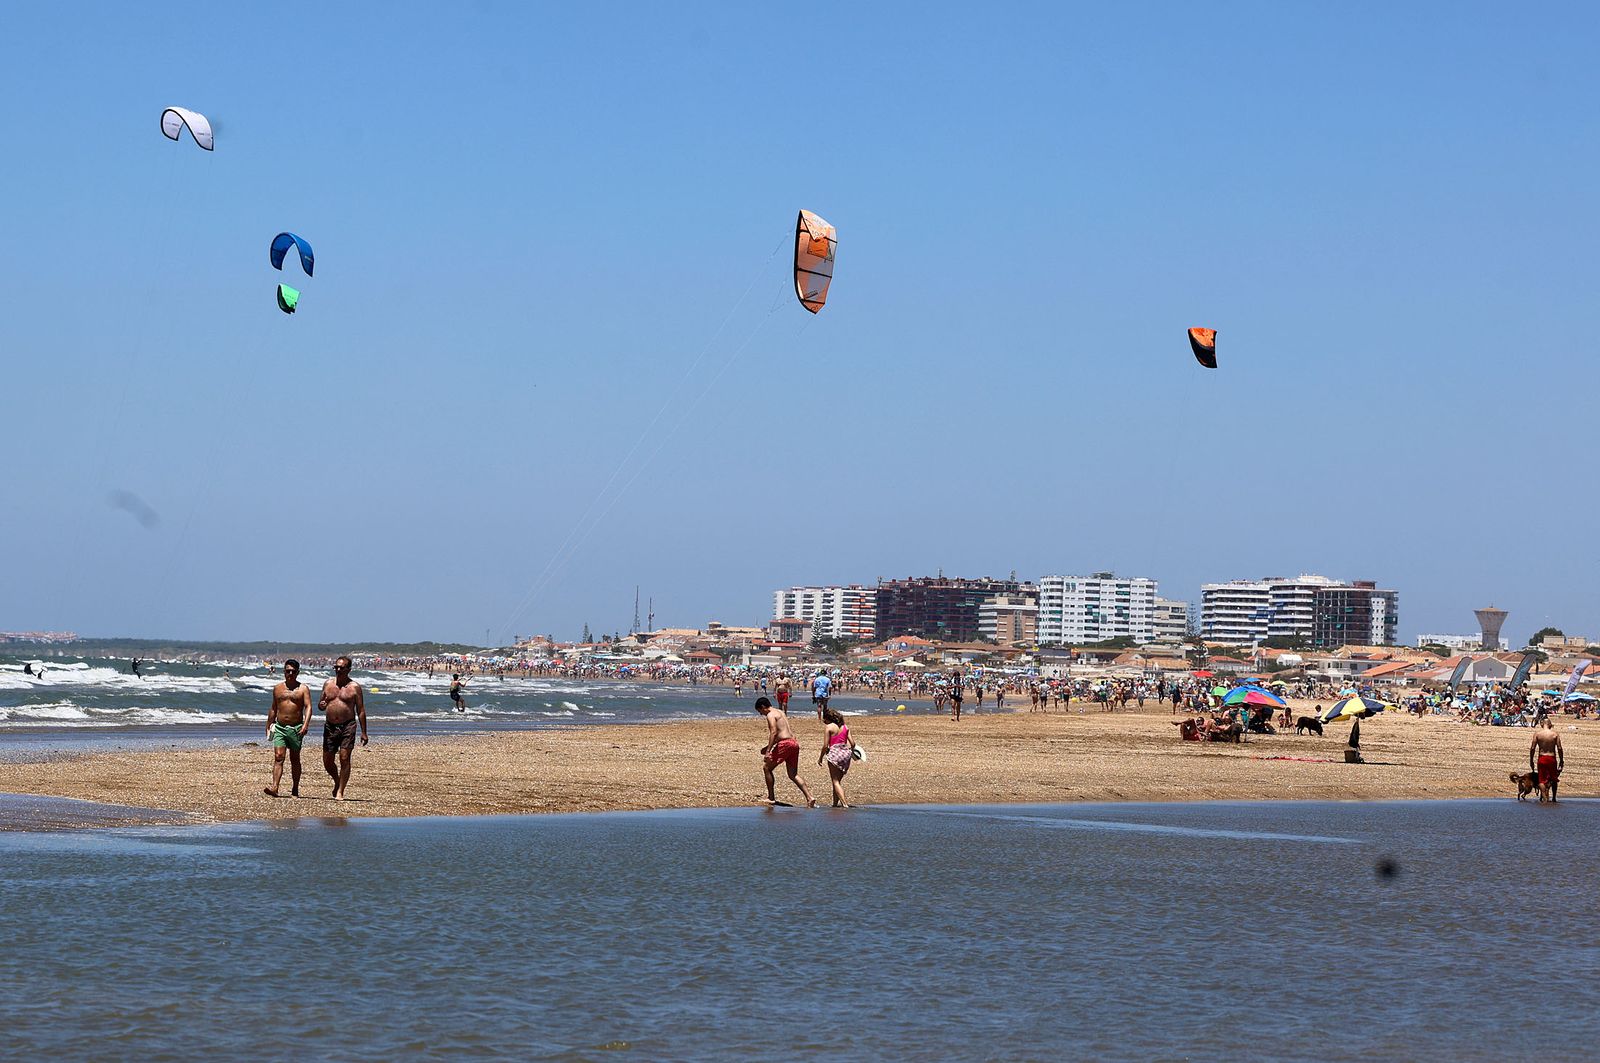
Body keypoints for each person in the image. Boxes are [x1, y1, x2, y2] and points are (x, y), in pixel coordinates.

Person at [319, 656, 368, 800]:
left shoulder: (354, 688)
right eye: (336, 667)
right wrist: (321, 705)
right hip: (330, 727)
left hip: (348, 725)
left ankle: (340, 791)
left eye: (342, 668)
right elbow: (321, 704)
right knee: (327, 760)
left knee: (344, 757)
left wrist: (364, 732)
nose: (338, 670)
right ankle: (337, 780)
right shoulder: (328, 684)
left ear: (349, 670)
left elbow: (361, 710)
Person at [263, 659, 313, 798]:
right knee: (279, 757)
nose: (289, 674)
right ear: (284, 671)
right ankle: (275, 787)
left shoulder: (303, 689)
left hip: (296, 727)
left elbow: (308, 707)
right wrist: (268, 724)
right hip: (280, 727)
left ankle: (295, 788)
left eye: (292, 671)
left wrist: (305, 724)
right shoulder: (278, 688)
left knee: (295, 758)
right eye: (287, 671)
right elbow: (274, 707)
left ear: (297, 672)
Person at [756, 695, 815, 807]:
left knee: (767, 768)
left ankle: (771, 797)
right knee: (793, 774)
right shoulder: (780, 712)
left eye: (760, 711)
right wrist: (768, 746)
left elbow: (774, 732)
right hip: (793, 743)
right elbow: (783, 733)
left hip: (785, 744)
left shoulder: (770, 714)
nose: (761, 714)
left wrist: (768, 751)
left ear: (763, 707)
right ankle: (810, 797)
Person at [818, 705, 856, 808]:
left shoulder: (829, 727)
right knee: (837, 782)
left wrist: (820, 758)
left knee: (835, 781)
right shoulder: (845, 727)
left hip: (835, 753)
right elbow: (852, 744)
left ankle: (844, 804)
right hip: (845, 754)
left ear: (828, 718)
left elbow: (825, 746)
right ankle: (835, 804)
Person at [1530, 716, 1564, 803]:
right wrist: (1561, 760)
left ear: (1542, 724)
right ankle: (1554, 798)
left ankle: (1544, 797)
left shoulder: (1537, 734)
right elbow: (1559, 748)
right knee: (1554, 779)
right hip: (1552, 758)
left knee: (1541, 780)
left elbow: (1533, 748)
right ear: (1550, 724)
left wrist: (1531, 760)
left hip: (1542, 758)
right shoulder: (1555, 734)